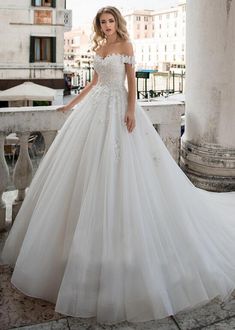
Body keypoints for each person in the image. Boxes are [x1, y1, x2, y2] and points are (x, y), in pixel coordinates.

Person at [1, 6, 235, 325]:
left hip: (117, 111)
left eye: (111, 21)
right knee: (83, 176)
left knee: (121, 174)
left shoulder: (126, 46)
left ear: (117, 23)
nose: (107, 26)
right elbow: (94, 83)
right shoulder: (99, 48)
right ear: (99, 26)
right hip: (94, 111)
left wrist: (131, 111)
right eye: (103, 22)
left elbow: (130, 84)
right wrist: (69, 104)